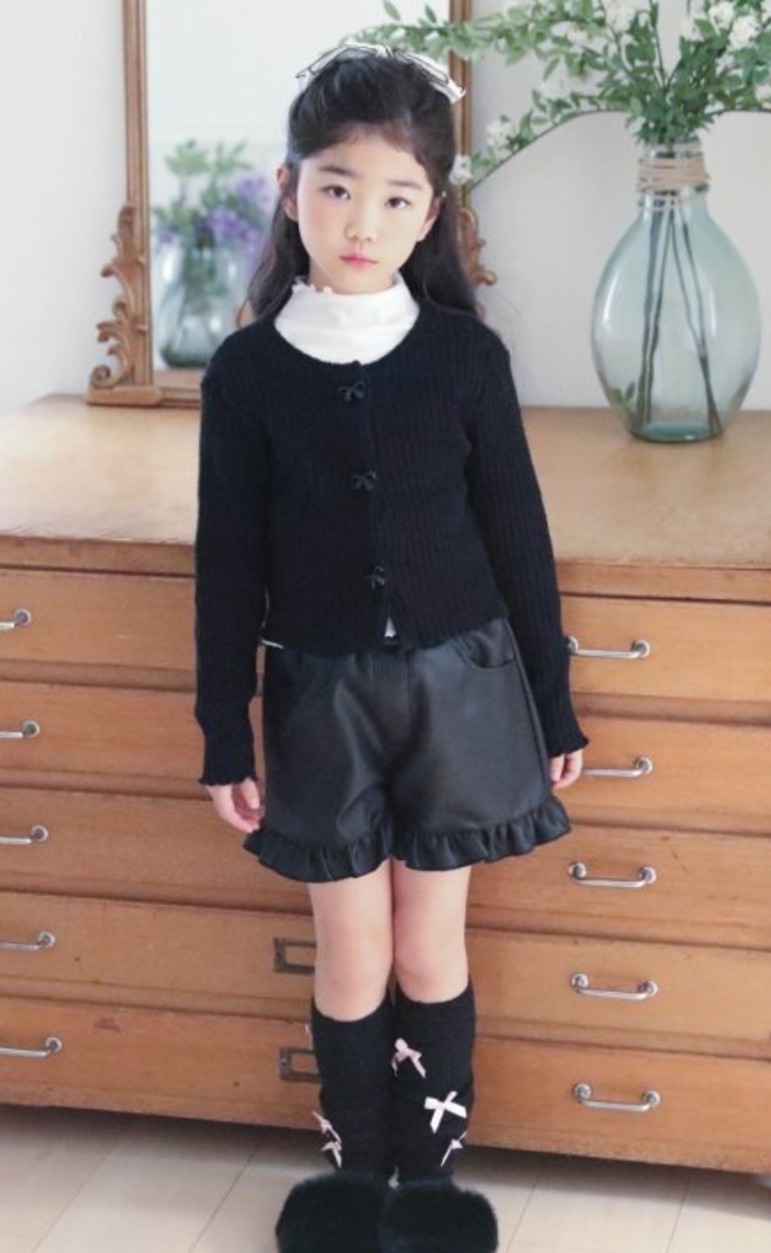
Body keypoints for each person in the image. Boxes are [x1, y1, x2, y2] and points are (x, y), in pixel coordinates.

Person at [193, 42, 585, 1253]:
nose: (363, 221)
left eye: (397, 196)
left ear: (431, 213)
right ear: (288, 188)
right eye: (336, 187)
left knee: (428, 943)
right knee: (351, 947)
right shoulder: (248, 373)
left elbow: (518, 537)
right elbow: (227, 561)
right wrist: (222, 729)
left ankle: (430, 1184)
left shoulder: (465, 360)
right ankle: (355, 1178)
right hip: (319, 700)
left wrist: (554, 701)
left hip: (460, 694)